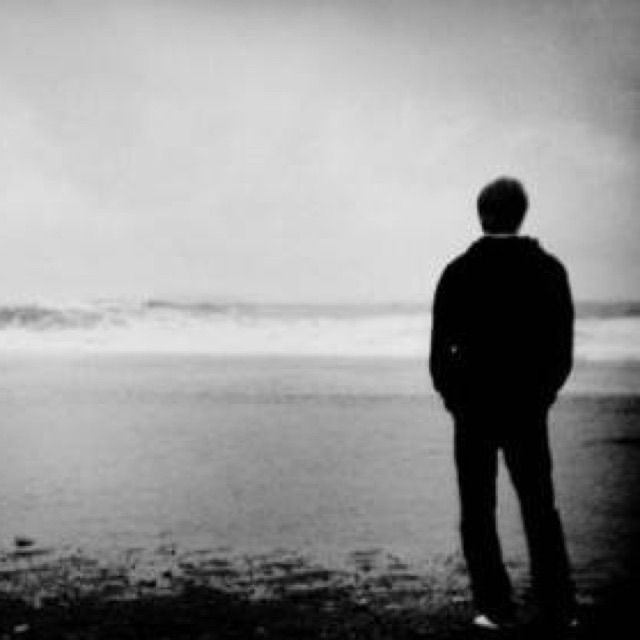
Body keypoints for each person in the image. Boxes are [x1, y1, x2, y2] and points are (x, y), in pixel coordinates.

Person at [429, 177, 578, 632]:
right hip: (526, 407)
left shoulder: (459, 272)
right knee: (539, 507)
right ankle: (557, 606)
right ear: (521, 214)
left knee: (478, 510)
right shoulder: (548, 270)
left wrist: (454, 398)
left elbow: (440, 352)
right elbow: (561, 349)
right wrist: (543, 394)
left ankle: (495, 607)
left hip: (473, 407)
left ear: (482, 215)